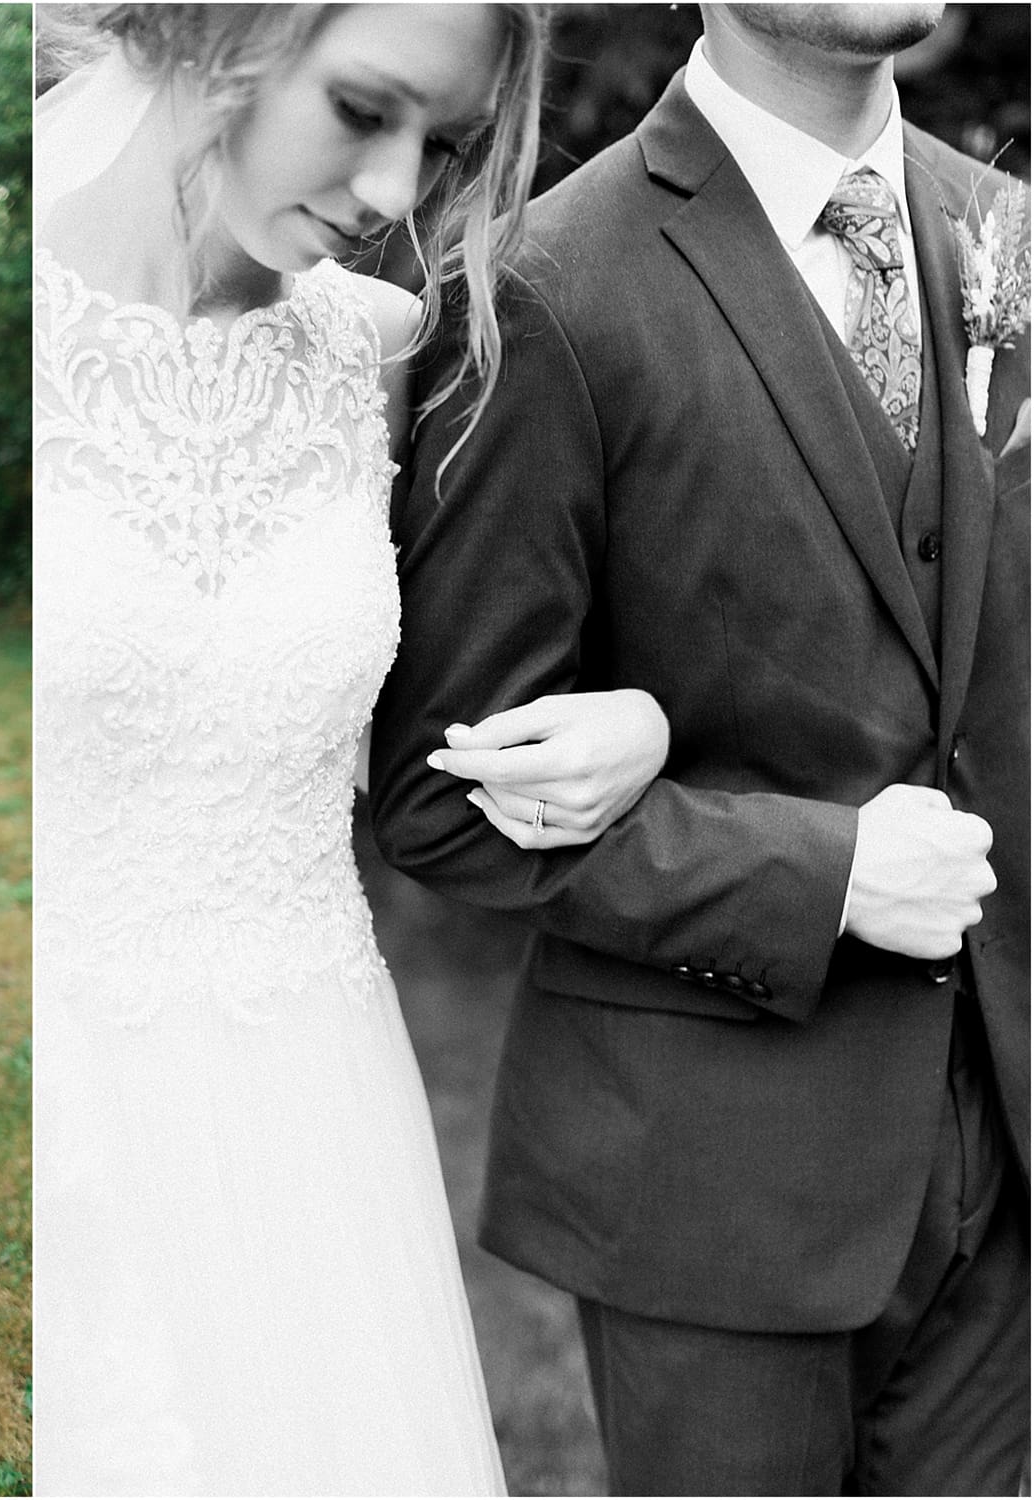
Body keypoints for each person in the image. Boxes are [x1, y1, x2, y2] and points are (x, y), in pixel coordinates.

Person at [370, 4, 1028, 1493]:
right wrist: (824, 873)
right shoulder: (547, 285)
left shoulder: (1015, 239)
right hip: (716, 1187)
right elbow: (441, 794)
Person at [32, 6, 673, 1492]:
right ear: (217, 33)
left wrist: (637, 718)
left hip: (307, 1115)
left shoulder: (368, 348)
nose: (394, 192)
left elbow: (442, 729)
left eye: (438, 143)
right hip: (63, 1090)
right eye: (364, 108)